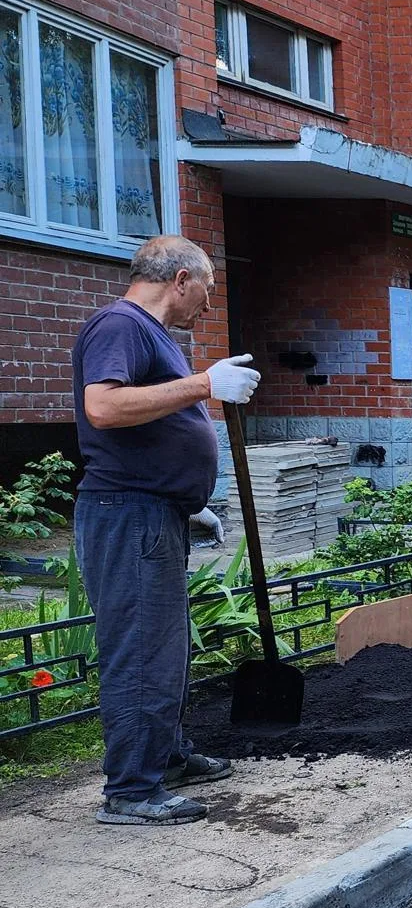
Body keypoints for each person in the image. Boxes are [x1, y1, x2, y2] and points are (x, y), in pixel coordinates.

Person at [73, 235, 260, 826]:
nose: (208, 302)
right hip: (128, 515)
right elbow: (103, 408)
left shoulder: (148, 335)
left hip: (154, 513)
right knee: (140, 652)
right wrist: (204, 385)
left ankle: (167, 757)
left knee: (166, 647)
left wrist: (188, 502)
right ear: (180, 279)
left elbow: (151, 422)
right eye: (206, 286)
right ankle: (130, 790)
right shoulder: (119, 324)